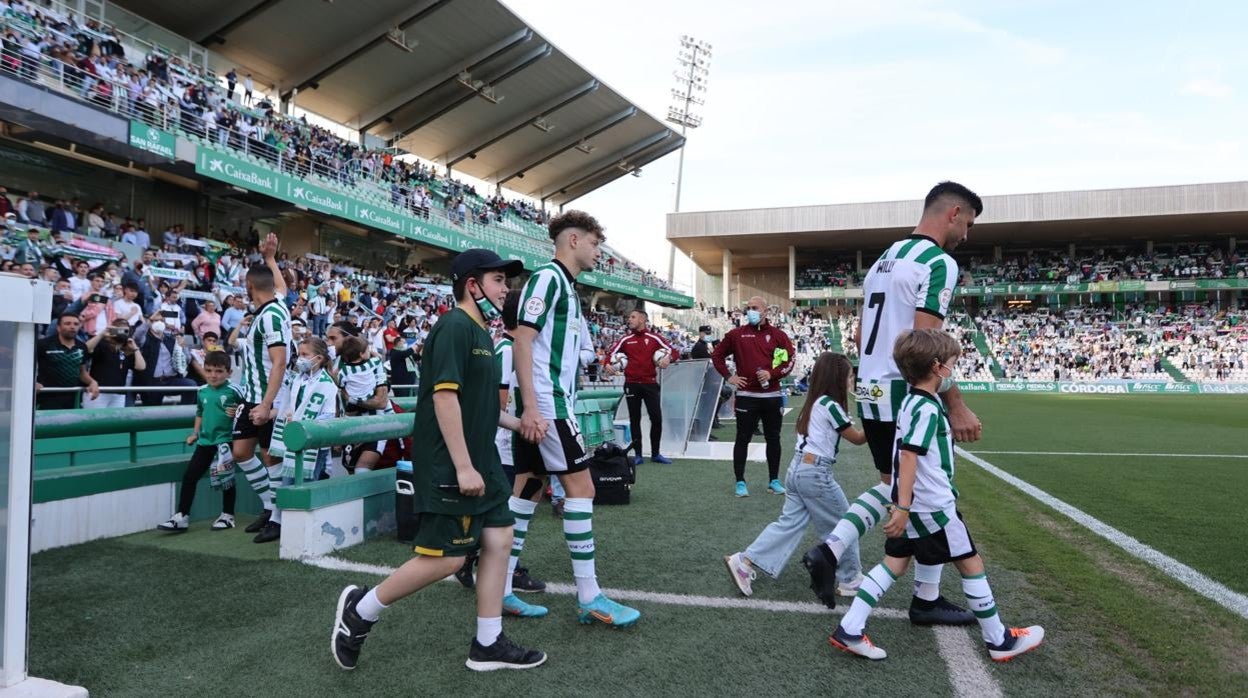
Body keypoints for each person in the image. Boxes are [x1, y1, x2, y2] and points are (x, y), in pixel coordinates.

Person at [330, 249, 548, 672]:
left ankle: (488, 643)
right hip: (453, 461)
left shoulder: (481, 332)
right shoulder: (453, 327)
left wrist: (516, 423)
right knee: (448, 558)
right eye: (499, 280)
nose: (506, 289)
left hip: (480, 458)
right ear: (473, 284)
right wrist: (464, 466)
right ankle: (362, 610)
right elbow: (444, 397)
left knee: (500, 539)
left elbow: (478, 403)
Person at [803, 181, 983, 627]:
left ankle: (832, 547)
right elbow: (927, 346)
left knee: (897, 489)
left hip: (871, 392)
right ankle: (925, 599)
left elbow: (862, 336)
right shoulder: (938, 261)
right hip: (907, 394)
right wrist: (956, 403)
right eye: (970, 224)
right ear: (954, 213)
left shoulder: (884, 259)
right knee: (930, 496)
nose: (968, 235)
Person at [828, 329, 1044, 662]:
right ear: (938, 367)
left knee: (893, 565)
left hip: (916, 504)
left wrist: (903, 504)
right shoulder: (927, 408)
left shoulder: (910, 400)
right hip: (933, 508)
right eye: (953, 364)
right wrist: (902, 505)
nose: (954, 371)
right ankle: (998, 640)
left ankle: (850, 628)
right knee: (971, 563)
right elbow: (909, 455)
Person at [507, 211, 640, 625]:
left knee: (527, 491)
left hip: (546, 401)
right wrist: (531, 406)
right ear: (573, 240)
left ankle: (502, 586)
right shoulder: (548, 278)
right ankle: (590, 595)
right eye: (596, 244)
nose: (600, 252)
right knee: (582, 489)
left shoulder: (564, 284)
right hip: (548, 405)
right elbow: (521, 342)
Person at [724, 352, 866, 598]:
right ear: (837, 377)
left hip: (797, 469)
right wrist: (884, 423)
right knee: (846, 523)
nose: (851, 381)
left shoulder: (814, 402)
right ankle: (851, 578)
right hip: (815, 473)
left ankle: (744, 561)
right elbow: (857, 438)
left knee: (788, 524)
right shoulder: (830, 405)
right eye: (849, 376)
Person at [231, 236, 291, 540]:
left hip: (270, 397)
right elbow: (282, 288)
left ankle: (278, 520)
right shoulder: (274, 304)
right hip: (251, 394)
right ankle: (269, 506)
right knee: (241, 452)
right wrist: (270, 258)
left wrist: (267, 404)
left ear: (248, 287)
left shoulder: (270, 317)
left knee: (271, 457)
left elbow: (279, 363)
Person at [711, 296, 795, 497]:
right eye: (747, 308)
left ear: (765, 311)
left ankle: (773, 480)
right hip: (746, 396)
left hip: (772, 395)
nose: (750, 311)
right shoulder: (736, 335)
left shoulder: (778, 336)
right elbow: (717, 356)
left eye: (754, 308)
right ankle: (740, 482)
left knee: (773, 438)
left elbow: (789, 361)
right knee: (742, 438)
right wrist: (729, 377)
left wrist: (772, 374)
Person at [261, 337, 339, 543]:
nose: (300, 359)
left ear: (319, 358)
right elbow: (290, 404)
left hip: (312, 442)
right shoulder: (297, 379)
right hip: (293, 439)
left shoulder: (327, 384)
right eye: (299, 354)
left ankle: (304, 529)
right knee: (287, 484)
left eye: (305, 355)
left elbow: (328, 415)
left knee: (306, 484)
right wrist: (283, 414)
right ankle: (281, 523)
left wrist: (301, 421)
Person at [156, 351, 242, 533]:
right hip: (205, 442)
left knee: (227, 479)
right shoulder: (202, 391)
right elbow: (200, 413)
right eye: (209, 370)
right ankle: (182, 516)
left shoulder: (235, 390)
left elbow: (247, 412)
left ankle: (228, 515)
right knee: (190, 476)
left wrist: (238, 412)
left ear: (229, 372)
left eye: (218, 371)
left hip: (226, 442)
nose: (213, 375)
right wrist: (195, 433)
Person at [605, 308, 678, 465]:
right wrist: (607, 365)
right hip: (631, 384)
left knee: (656, 419)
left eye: (633, 317)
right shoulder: (625, 340)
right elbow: (610, 354)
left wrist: (668, 359)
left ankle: (656, 453)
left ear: (642, 320)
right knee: (635, 419)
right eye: (629, 317)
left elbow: (674, 352)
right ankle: (638, 454)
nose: (629, 319)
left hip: (650, 384)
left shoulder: (654, 338)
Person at [35, 314, 98, 410]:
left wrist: (93, 382)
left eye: (76, 324)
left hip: (73, 398)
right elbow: (28, 366)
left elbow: (82, 372)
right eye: (67, 324)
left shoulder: (81, 347)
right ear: (58, 328)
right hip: (47, 398)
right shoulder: (43, 344)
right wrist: (33, 382)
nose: (72, 327)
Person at [133, 315, 197, 406]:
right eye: (156, 320)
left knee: (191, 385)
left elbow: (187, 360)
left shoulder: (171, 339)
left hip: (171, 380)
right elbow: (137, 336)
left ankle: (182, 413)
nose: (159, 322)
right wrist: (149, 321)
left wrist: (184, 347)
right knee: (153, 411)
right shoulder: (145, 339)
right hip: (153, 382)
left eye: (161, 320)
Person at [84, 319, 145, 409]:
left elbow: (141, 367)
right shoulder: (102, 343)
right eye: (119, 329)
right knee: (94, 421)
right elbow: (85, 349)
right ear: (113, 329)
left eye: (125, 330)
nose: (122, 332)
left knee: (115, 422)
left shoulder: (128, 348)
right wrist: (102, 334)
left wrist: (135, 348)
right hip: (99, 392)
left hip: (119, 394)